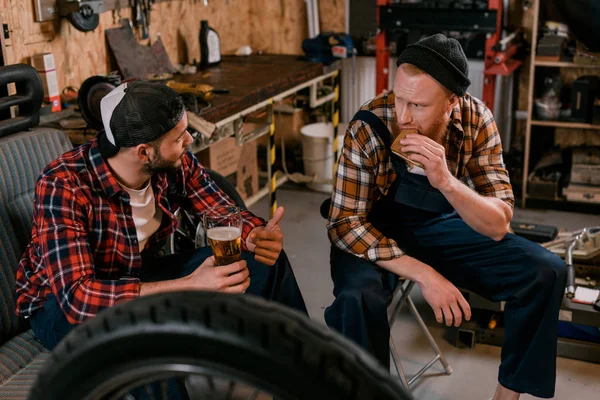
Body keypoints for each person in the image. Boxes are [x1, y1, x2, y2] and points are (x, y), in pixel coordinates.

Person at [325, 34, 566, 400]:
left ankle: (506, 396)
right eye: (398, 99)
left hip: (434, 226)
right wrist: (426, 274)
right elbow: (344, 225)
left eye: (418, 106)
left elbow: (499, 222)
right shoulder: (368, 128)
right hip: (371, 230)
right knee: (358, 298)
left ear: (452, 102)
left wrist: (447, 182)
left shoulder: (476, 121)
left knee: (545, 271)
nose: (403, 117)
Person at [15, 81, 307, 353]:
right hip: (61, 307)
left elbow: (218, 206)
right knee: (149, 337)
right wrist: (190, 284)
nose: (190, 140)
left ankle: (307, 368)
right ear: (143, 152)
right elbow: (78, 297)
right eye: (180, 137)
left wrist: (253, 233)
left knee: (266, 262)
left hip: (136, 273)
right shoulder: (64, 184)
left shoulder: (172, 162)